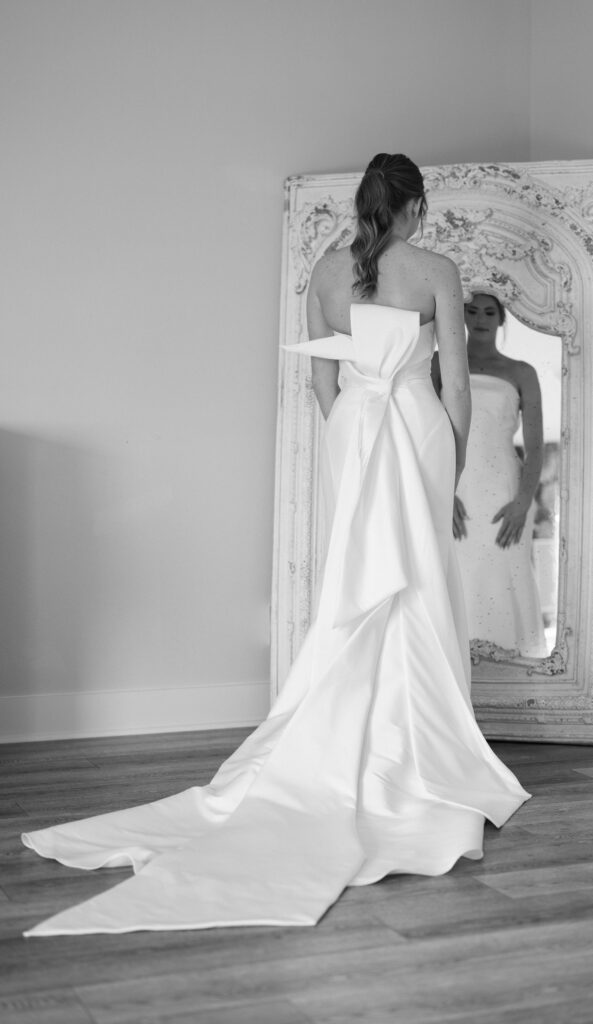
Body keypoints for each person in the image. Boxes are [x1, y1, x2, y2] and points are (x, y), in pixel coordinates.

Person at [21, 155, 530, 937]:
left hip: (355, 433)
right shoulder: (436, 268)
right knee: (420, 580)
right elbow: (454, 383)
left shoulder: (323, 274)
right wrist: (450, 465)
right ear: (416, 208)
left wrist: (349, 445)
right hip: (415, 430)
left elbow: (321, 387)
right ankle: (420, 749)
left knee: (356, 576)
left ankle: (355, 739)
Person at [434, 291, 546, 658]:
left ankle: (514, 666)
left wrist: (522, 501)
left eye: (488, 311)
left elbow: (535, 446)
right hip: (454, 485)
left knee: (508, 572)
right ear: (461, 315)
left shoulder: (521, 372)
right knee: (454, 573)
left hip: (505, 491)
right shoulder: (439, 364)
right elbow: (427, 433)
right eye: (471, 310)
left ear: (501, 319)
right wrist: (440, 493)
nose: (480, 318)